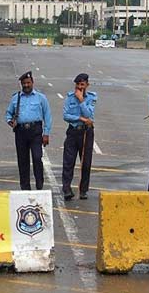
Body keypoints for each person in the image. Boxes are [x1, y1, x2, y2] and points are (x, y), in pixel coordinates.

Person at [6, 71, 52, 190]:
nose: (26, 85)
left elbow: (47, 116)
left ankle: (39, 184)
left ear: (32, 82)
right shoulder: (16, 98)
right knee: (23, 161)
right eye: (24, 83)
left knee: (37, 158)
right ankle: (25, 187)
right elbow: (8, 113)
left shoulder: (41, 98)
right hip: (20, 132)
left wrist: (46, 134)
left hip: (35, 131)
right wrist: (10, 121)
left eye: (28, 83)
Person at [62, 73, 97, 201]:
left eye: (82, 84)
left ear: (87, 85)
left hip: (86, 132)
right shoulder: (70, 97)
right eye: (77, 84)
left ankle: (83, 190)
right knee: (68, 161)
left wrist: (81, 100)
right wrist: (79, 118)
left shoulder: (91, 97)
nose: (79, 87)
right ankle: (66, 189)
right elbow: (66, 115)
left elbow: (89, 114)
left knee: (85, 162)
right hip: (73, 131)